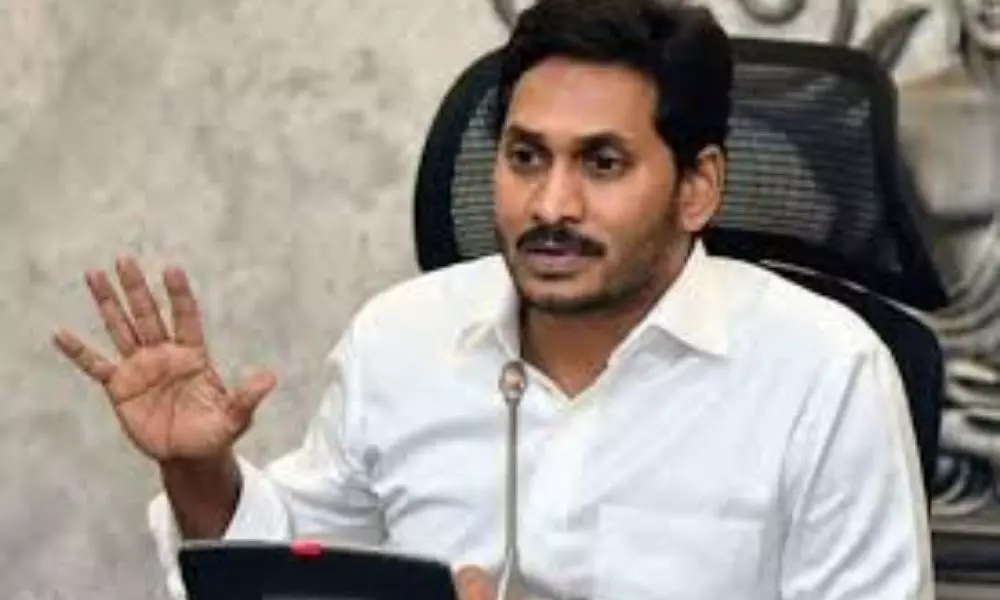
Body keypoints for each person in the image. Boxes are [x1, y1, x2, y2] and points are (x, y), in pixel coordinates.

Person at [53, 0, 934, 598]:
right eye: (525, 157)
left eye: (602, 163)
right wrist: (198, 471)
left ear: (697, 188)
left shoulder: (825, 371)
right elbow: (287, 568)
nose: (551, 205)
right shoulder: (400, 338)